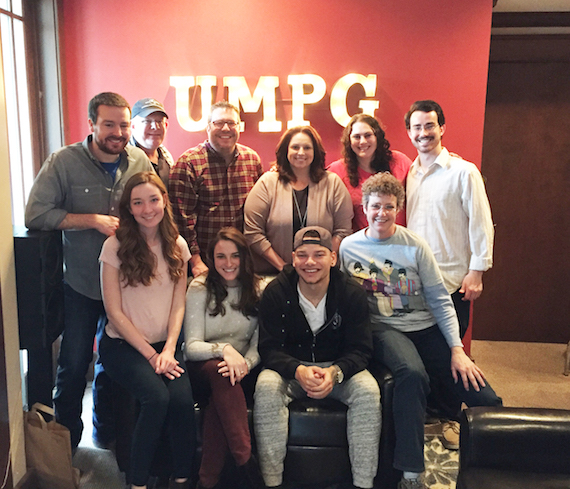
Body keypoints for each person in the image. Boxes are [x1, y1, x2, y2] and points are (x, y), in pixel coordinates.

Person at [339, 173, 502, 489]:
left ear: (398, 208)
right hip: (383, 329)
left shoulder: (415, 246)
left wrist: (457, 349)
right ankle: (411, 472)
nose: (381, 214)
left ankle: (487, 469)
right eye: (375, 206)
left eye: (389, 207)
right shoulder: (349, 248)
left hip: (425, 329)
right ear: (365, 206)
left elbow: (440, 300)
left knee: (484, 397)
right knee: (412, 374)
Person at [25, 92, 153, 449]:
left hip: (127, 284)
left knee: (114, 364)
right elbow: (35, 214)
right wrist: (90, 221)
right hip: (81, 284)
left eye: (124, 125)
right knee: (74, 363)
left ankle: (106, 434)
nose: (118, 132)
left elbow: (153, 210)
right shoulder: (63, 163)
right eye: (109, 124)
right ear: (92, 124)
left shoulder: (139, 160)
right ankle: (66, 451)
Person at [254, 226, 381, 489]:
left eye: (318, 254)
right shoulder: (276, 292)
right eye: (302, 255)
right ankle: (272, 483)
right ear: (292, 258)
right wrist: (297, 369)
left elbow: (361, 349)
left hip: (337, 369)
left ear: (333, 258)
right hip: (291, 370)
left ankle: (363, 484)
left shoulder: (351, 293)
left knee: (368, 391)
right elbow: (268, 348)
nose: (310, 262)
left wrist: (336, 372)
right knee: (266, 387)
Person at [99, 171, 195, 489]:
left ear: (164, 201)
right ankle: (137, 481)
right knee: (156, 398)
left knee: (182, 401)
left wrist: (169, 349)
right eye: (138, 202)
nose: (147, 208)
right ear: (129, 207)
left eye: (153, 200)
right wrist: (152, 355)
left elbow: (178, 304)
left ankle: (182, 478)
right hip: (123, 347)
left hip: (165, 345)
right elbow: (113, 311)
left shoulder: (177, 244)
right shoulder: (114, 246)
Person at [405, 100, 494, 339]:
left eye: (429, 126)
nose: (423, 133)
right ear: (409, 133)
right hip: (416, 281)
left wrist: (477, 272)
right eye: (417, 127)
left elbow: (481, 222)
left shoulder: (464, 172)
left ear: (442, 128)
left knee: (449, 352)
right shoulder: (408, 175)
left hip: (452, 282)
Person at [184, 227, 265, 489]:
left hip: (240, 372)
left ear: (244, 257)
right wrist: (226, 351)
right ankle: (246, 462)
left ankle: (206, 482)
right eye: (220, 257)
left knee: (221, 400)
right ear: (211, 258)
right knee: (220, 372)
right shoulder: (199, 288)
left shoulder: (259, 289)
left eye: (234, 256)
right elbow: (191, 346)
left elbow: (258, 346)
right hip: (202, 369)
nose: (228, 264)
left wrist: (244, 365)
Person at [170, 101, 263, 277]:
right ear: (208, 127)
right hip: (204, 262)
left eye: (231, 123)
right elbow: (182, 218)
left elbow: (259, 210)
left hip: (243, 260)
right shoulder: (189, 163)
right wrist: (196, 261)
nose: (226, 128)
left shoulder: (252, 160)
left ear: (240, 127)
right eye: (219, 123)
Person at [244, 126, 353, 274]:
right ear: (286, 150)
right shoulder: (267, 183)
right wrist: (284, 268)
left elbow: (343, 231)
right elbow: (253, 232)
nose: (301, 152)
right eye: (295, 147)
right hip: (275, 274)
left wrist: (321, 263)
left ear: (315, 152)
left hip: (322, 275)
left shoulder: (333, 184)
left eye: (307, 147)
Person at [328, 113, 412, 231]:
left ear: (377, 137)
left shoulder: (400, 162)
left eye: (368, 135)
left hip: (400, 242)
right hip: (361, 245)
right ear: (349, 140)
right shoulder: (337, 171)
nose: (362, 141)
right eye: (357, 137)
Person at [130, 97, 174, 187]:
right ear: (133, 126)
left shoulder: (166, 157)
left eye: (159, 121)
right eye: (147, 121)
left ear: (166, 125)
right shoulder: (123, 159)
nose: (155, 126)